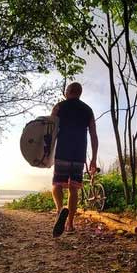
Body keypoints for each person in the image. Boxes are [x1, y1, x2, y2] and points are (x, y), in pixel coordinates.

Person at [51, 82, 98, 237]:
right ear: (80, 93)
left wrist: (45, 153)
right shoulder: (88, 110)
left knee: (57, 185)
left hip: (62, 151)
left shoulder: (59, 107)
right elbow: (93, 135)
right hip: (79, 153)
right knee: (74, 188)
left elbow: (49, 130)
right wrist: (93, 159)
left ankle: (59, 210)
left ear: (67, 92)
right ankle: (70, 224)